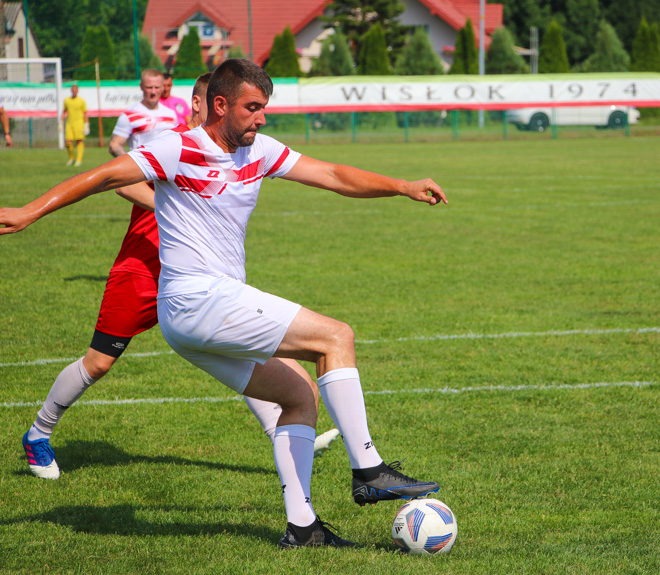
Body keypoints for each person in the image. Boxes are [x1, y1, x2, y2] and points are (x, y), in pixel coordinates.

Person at [0, 58, 447, 549]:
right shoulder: (179, 147)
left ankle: (303, 528)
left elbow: (334, 175)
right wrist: (29, 211)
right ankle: (369, 468)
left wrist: (401, 186)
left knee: (298, 399)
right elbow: (105, 176)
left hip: (190, 318)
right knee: (335, 336)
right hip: (200, 299)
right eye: (253, 108)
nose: (261, 118)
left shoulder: (261, 151)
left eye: (264, 108)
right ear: (220, 105)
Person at [20, 71, 338, 480]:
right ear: (201, 104)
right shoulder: (172, 145)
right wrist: (178, 209)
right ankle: (39, 433)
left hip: (200, 281)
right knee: (98, 363)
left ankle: (285, 431)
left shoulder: (233, 151)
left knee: (245, 349)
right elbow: (120, 185)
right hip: (143, 268)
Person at [109, 69, 179, 158]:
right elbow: (114, 145)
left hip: (167, 171)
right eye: (149, 87)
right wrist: (134, 165)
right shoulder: (129, 116)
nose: (153, 92)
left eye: (157, 87)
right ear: (141, 86)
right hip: (141, 172)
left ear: (162, 87)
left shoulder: (171, 114)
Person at [63, 84, 88, 166]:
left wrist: (86, 124)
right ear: (71, 90)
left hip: (79, 123)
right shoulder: (67, 100)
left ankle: (79, 160)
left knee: (79, 140)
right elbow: (64, 111)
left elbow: (85, 113)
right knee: (67, 141)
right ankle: (71, 158)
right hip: (70, 123)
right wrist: (60, 122)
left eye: (75, 89)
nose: (74, 91)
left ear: (77, 91)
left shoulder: (81, 101)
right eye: (73, 89)